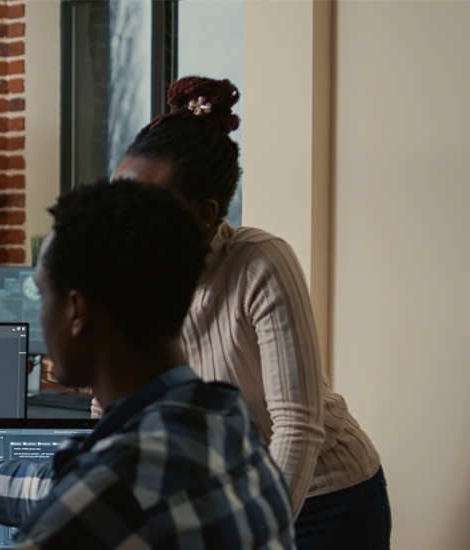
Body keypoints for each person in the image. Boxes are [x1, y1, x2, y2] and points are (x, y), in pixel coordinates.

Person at [0, 182, 295, 548]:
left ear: (77, 311)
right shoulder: (224, 423)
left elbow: (82, 498)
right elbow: (49, 489)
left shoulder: (116, 484)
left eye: (41, 296)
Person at [112, 76, 389, 549]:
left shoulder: (259, 262)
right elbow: (115, 406)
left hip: (325, 499)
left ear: (205, 213)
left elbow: (297, 426)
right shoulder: (126, 272)